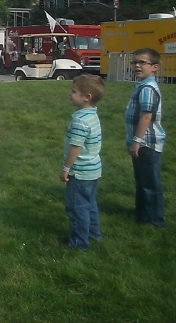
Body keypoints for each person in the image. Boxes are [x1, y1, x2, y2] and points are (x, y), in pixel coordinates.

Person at [60, 74, 105, 249]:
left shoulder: (80, 120)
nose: (69, 94)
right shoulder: (92, 115)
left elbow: (75, 147)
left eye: (74, 92)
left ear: (87, 97)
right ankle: (94, 234)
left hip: (80, 172)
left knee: (76, 207)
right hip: (93, 171)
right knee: (89, 204)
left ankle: (79, 243)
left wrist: (66, 168)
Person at [125, 48, 166, 227]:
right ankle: (142, 214)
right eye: (135, 62)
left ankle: (154, 219)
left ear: (154, 67)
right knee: (142, 180)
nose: (137, 66)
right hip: (142, 143)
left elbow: (146, 116)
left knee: (149, 183)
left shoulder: (148, 88)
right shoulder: (142, 85)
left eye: (143, 62)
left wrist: (137, 141)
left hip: (147, 143)